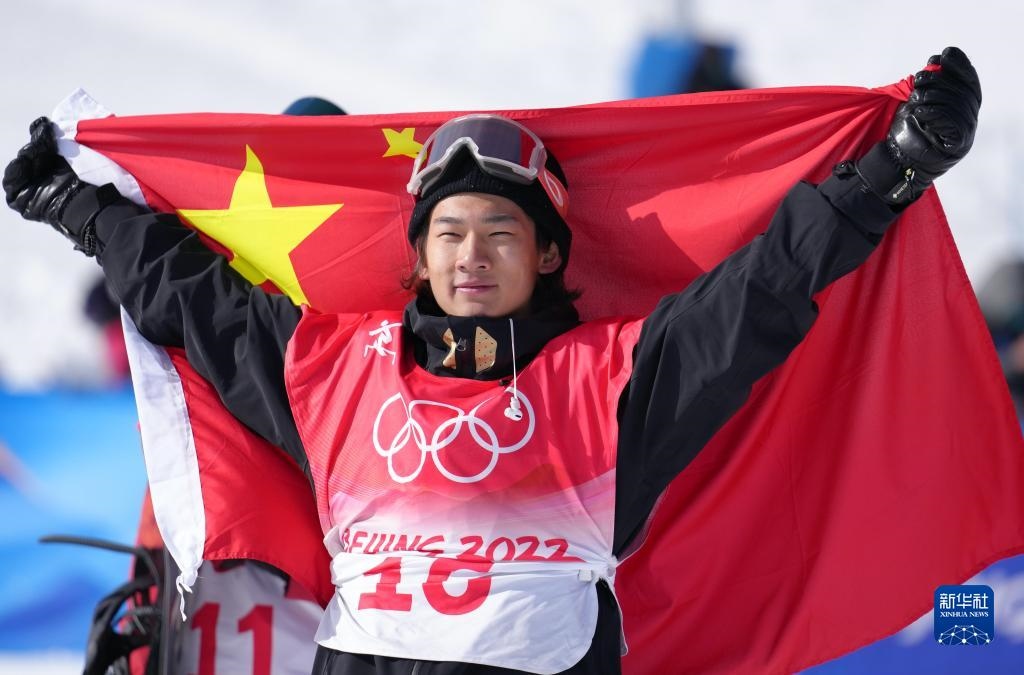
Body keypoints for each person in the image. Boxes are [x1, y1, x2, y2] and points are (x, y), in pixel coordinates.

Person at [4, 48, 980, 674]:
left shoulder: (611, 379)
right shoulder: (336, 368)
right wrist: (80, 207)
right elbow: (195, 300)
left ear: (548, 255)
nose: (473, 254)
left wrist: (892, 171)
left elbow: (760, 292)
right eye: (451, 233)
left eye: (501, 233)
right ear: (422, 257)